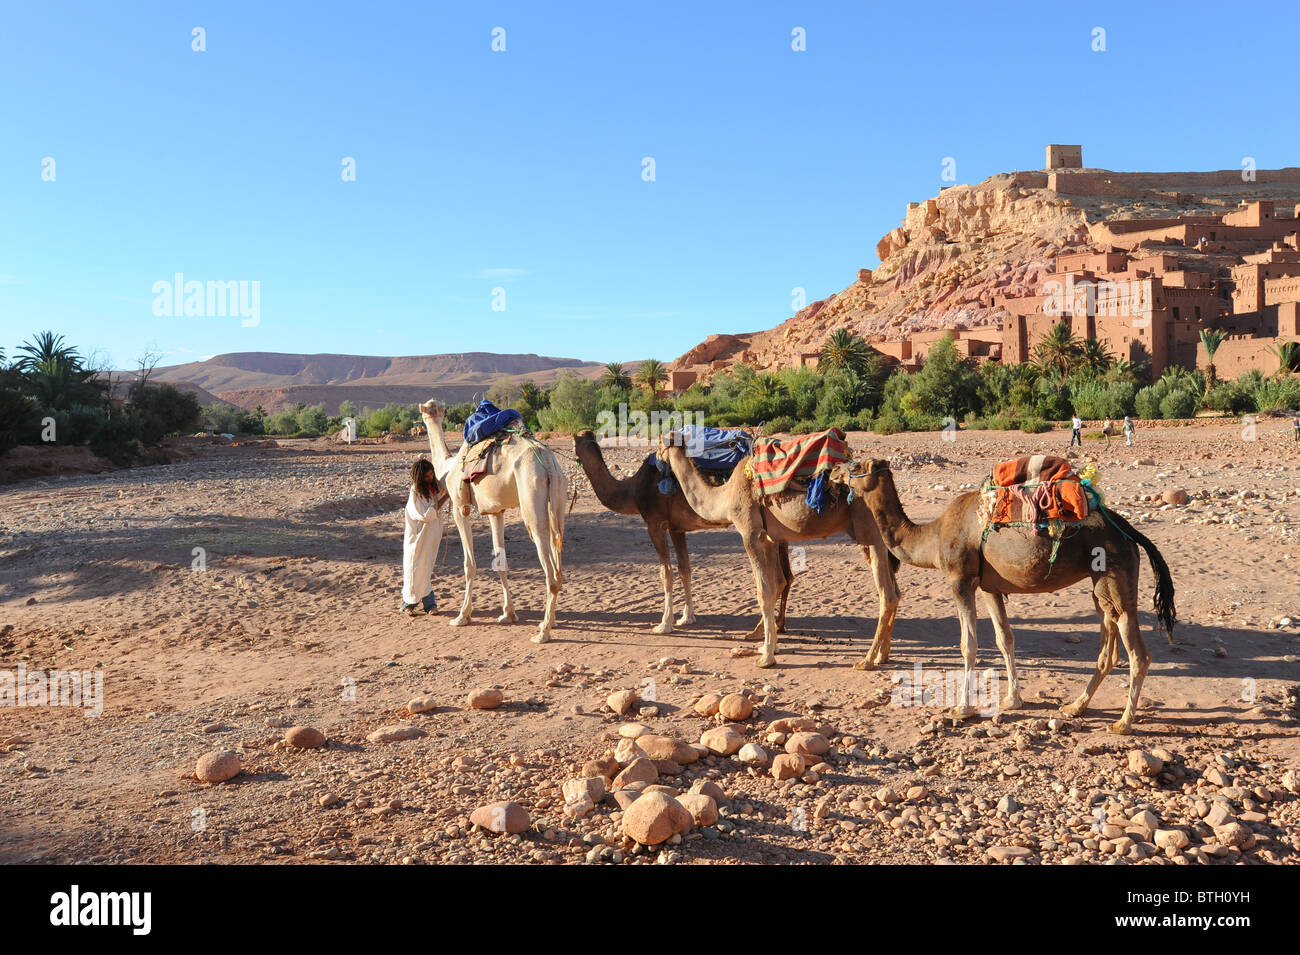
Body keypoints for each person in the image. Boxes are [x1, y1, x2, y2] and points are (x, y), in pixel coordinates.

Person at [402, 458, 447, 614]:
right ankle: (408, 604)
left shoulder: (433, 488)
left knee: (427, 568)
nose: (430, 478)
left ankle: (429, 605)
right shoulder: (415, 493)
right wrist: (445, 499)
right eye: (427, 476)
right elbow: (425, 515)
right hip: (417, 540)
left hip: (431, 538)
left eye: (431, 475)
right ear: (420, 477)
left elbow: (445, 485)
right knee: (414, 570)